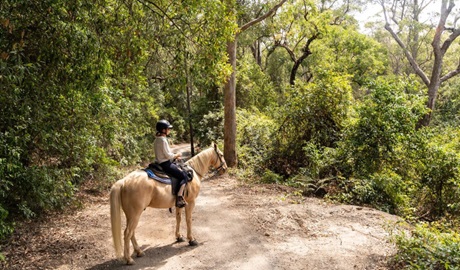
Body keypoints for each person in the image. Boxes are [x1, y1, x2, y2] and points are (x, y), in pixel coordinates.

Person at [154, 119, 188, 208]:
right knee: (184, 176)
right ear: (163, 130)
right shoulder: (163, 140)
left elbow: (165, 153)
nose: (169, 130)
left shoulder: (157, 139)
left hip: (159, 163)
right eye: (168, 129)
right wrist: (177, 155)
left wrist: (174, 156)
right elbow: (168, 155)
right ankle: (179, 197)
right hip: (165, 164)